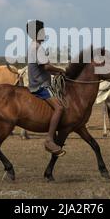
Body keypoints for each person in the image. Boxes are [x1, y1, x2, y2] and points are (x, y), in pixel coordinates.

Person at [26, 20, 66, 157]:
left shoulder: (33, 46)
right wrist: (60, 70)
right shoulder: (37, 47)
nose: (45, 33)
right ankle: (49, 140)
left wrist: (56, 72)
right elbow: (46, 67)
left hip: (37, 82)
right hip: (41, 85)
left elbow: (44, 67)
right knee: (60, 108)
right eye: (42, 31)